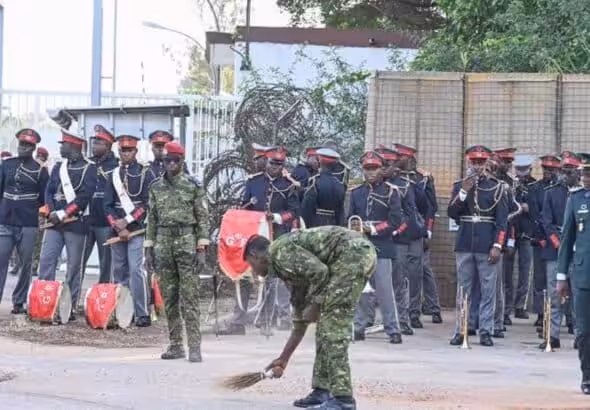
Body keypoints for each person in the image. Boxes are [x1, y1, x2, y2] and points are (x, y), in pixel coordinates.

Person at [245, 226, 377, 410]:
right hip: (346, 259)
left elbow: (321, 272)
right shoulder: (286, 268)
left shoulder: (281, 254)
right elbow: (300, 320)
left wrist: (316, 305)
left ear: (255, 255)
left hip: (352, 255)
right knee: (324, 330)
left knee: (333, 330)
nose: (254, 271)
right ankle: (322, 391)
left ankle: (343, 400)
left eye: (251, 264)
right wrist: (283, 359)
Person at [219, 146, 299, 335]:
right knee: (244, 274)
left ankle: (266, 319)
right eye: (272, 163)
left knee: (272, 277)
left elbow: (294, 212)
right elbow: (244, 207)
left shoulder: (288, 185)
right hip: (252, 237)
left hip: (276, 236)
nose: (275, 168)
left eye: (280, 164)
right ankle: (239, 320)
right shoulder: (253, 182)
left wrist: (277, 217)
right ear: (266, 162)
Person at [144, 141, 210, 362]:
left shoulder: (193, 185)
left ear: (182, 161)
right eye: (167, 161)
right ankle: (175, 345)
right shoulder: (155, 186)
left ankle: (194, 347)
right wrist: (148, 248)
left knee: (190, 297)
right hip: (163, 242)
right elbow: (151, 219)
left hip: (187, 242)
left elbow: (203, 217)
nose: (171, 164)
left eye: (175, 160)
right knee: (169, 298)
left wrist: (202, 248)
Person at [448, 145, 508, 347]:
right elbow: (452, 213)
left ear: (487, 163)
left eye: (481, 162)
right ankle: (461, 330)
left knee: (488, 290)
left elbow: (502, 222)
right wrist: (464, 192)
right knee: (463, 291)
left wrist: (498, 245)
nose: (477, 166)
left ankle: (485, 331)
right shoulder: (459, 186)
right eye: (474, 162)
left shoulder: (498, 187)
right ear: (468, 162)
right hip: (465, 244)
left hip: (486, 245)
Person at [38, 129, 98, 318]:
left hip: (75, 224)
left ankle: (68, 307)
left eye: (63, 144)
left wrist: (63, 213)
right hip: (54, 223)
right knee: (47, 261)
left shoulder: (89, 168)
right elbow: (49, 190)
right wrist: (51, 210)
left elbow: (84, 197)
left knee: (73, 267)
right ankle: (43, 303)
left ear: (73, 146)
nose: (61, 147)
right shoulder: (58, 167)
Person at [350, 151, 405, 344]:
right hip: (361, 247)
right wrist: (355, 228)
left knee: (384, 289)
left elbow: (396, 220)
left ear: (381, 169)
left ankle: (392, 328)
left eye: (374, 168)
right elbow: (350, 218)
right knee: (360, 289)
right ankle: (359, 326)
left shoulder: (391, 191)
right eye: (367, 169)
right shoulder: (356, 193)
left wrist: (371, 228)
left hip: (382, 245)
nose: (371, 172)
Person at [104, 134, 155, 327]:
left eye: (129, 150)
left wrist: (126, 222)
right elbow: (106, 204)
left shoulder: (145, 173)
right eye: (122, 150)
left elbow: (146, 203)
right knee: (119, 272)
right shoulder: (113, 174)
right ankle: (123, 311)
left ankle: (142, 313)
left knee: (136, 270)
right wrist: (115, 224)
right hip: (116, 230)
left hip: (136, 230)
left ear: (135, 151)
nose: (125, 153)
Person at [0, 129, 49, 313]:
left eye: (28, 145)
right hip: (5, 219)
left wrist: (28, 206)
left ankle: (19, 301)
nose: (24, 148)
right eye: (22, 144)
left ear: (34, 148)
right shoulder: (6, 164)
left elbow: (44, 198)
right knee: (1, 260)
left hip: (27, 222)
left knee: (26, 263)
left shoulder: (39, 170)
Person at [556, 152, 590, 394]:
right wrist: (561, 276)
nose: (586, 177)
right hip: (582, 275)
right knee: (584, 331)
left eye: (589, 173)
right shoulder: (576, 199)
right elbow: (567, 239)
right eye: (584, 173)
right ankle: (587, 376)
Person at [539, 151, 580, 349]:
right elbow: (546, 222)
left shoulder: (583, 195)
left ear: (578, 172)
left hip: (580, 252)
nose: (566, 174)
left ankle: (580, 337)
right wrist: (559, 243)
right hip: (555, 251)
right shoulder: (551, 192)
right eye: (564, 170)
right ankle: (552, 336)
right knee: (554, 296)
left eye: (570, 170)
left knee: (579, 297)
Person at [395, 143, 435, 329]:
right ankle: (400, 313)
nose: (403, 161)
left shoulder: (421, 178)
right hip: (399, 233)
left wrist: (428, 232)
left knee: (416, 275)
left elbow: (428, 207)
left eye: (407, 158)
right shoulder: (392, 179)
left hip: (416, 233)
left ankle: (414, 313)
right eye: (401, 158)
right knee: (399, 274)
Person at [374, 146, 412, 336]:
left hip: (398, 239)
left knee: (398, 281)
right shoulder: (376, 187)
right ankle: (373, 321)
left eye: (389, 164)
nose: (386, 168)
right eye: (384, 164)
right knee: (376, 283)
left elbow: (409, 216)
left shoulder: (403, 185)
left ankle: (402, 320)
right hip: (378, 239)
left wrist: (395, 232)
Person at [81, 125, 119, 284]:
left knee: (106, 264)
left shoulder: (116, 165)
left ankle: (102, 300)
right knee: (79, 260)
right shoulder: (88, 162)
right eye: (94, 142)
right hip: (86, 220)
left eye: (98, 143)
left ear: (108, 146)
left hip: (105, 222)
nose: (94, 146)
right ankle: (72, 299)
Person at [528, 155, 560, 327]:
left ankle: (565, 317)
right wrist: (540, 237)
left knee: (560, 280)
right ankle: (541, 313)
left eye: (552, 169)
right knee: (540, 280)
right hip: (541, 240)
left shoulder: (561, 189)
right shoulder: (535, 188)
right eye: (546, 169)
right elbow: (534, 215)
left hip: (557, 239)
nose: (548, 172)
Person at [504, 154, 536, 323]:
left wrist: (529, 207)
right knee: (506, 272)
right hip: (510, 231)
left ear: (530, 169)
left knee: (525, 271)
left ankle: (520, 306)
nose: (521, 172)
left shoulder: (535, 185)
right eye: (519, 169)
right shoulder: (509, 183)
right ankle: (506, 308)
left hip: (526, 233)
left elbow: (540, 207)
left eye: (524, 170)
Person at [301, 148, 346, 228]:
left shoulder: (315, 181)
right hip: (333, 225)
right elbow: (340, 211)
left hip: (316, 224)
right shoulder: (340, 185)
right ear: (335, 164)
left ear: (319, 162)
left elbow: (307, 208)